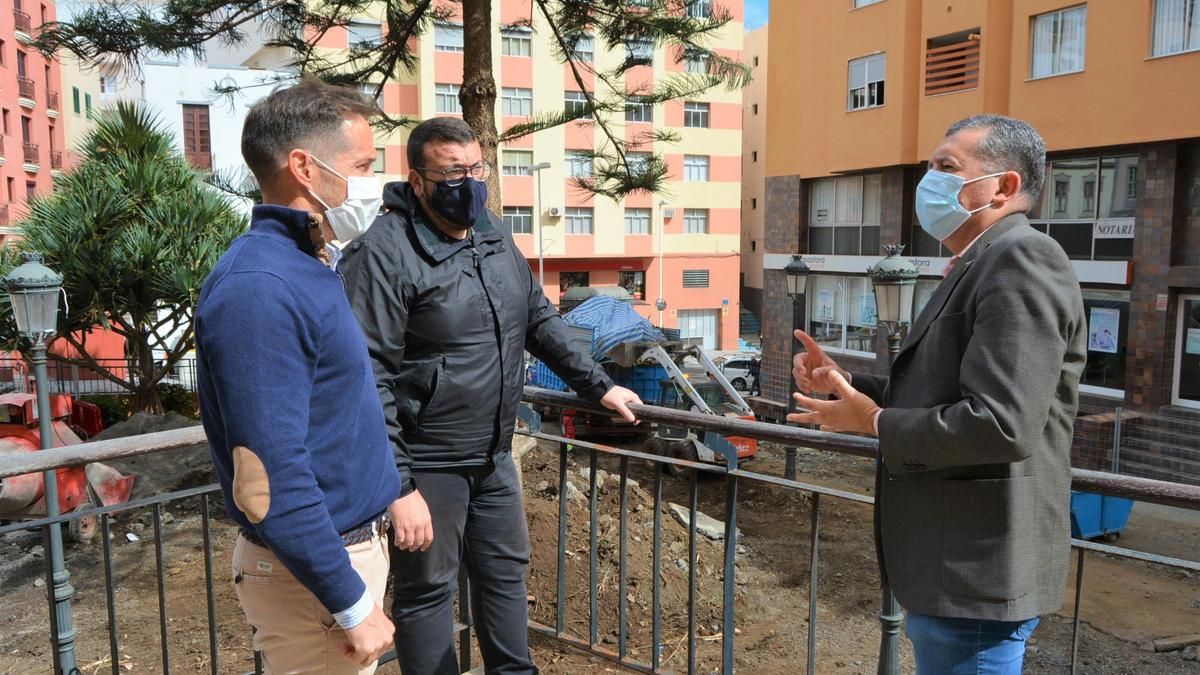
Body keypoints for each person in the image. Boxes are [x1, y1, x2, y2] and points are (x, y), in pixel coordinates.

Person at [338, 116, 643, 675]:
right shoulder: (381, 253)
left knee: (506, 575)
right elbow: (367, 376)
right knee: (428, 592)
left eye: (476, 168)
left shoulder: (493, 233)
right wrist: (398, 486)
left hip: (494, 454)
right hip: (427, 463)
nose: (469, 182)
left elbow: (540, 320)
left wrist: (598, 386)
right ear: (419, 178)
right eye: (452, 172)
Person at [789, 114, 1086, 675]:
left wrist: (874, 421)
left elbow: (1000, 422)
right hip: (955, 568)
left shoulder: (1021, 257)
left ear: (1004, 186)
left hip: (975, 569)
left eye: (947, 167)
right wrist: (850, 387)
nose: (930, 181)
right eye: (930, 166)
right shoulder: (978, 260)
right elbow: (946, 388)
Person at [195, 78, 399, 674]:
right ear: (305, 167)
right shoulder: (261, 287)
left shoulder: (306, 264)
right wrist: (352, 602)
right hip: (316, 577)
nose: (372, 183)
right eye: (361, 165)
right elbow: (266, 481)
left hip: (334, 560)